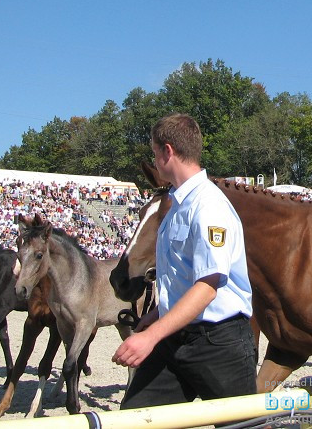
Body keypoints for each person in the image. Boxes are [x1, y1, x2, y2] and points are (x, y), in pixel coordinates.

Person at [113, 113, 256, 409]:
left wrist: (149, 336)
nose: (153, 161)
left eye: (154, 153)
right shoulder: (177, 203)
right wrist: (156, 316)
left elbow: (207, 287)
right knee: (133, 420)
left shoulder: (209, 206)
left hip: (219, 344)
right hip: (174, 336)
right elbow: (183, 277)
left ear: (167, 151)